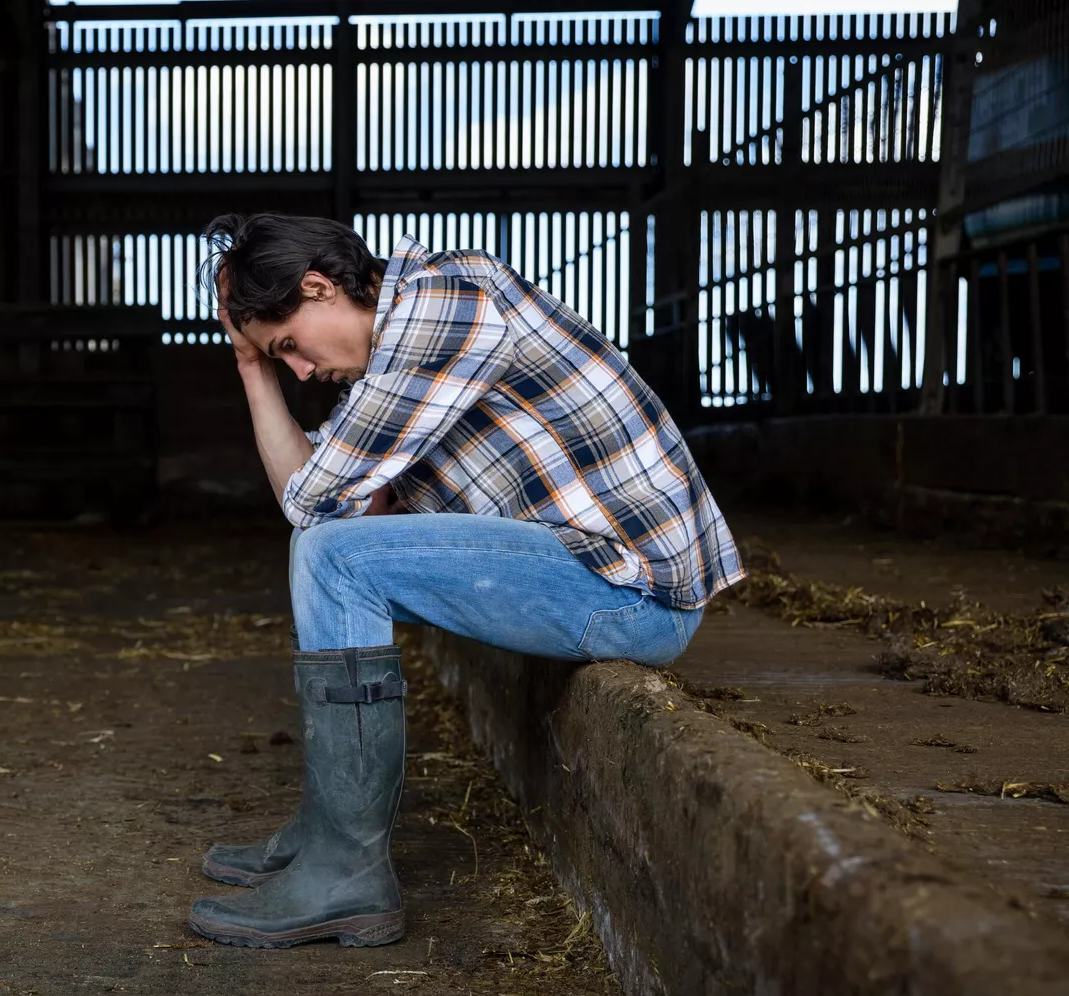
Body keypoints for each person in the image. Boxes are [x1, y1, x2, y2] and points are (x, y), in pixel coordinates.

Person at [189, 213, 743, 950]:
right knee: (330, 548)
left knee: (337, 558)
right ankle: (330, 833)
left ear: (320, 287)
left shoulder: (445, 305)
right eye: (277, 358)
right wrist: (249, 364)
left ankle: (347, 873)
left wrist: (265, 378)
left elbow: (308, 501)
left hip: (630, 591)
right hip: (583, 570)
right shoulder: (396, 361)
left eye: (288, 346)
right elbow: (319, 499)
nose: (299, 370)